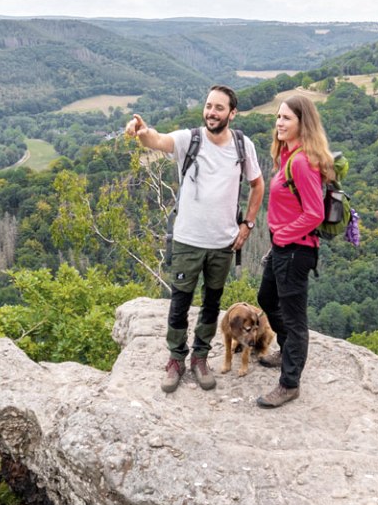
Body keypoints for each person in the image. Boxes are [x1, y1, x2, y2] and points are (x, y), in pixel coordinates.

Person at [125, 86, 264, 393]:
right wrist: (141, 130)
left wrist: (248, 225)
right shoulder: (190, 139)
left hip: (223, 243)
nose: (211, 112)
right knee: (180, 302)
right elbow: (158, 140)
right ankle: (175, 359)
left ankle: (200, 358)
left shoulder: (243, 146)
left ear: (232, 113)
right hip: (188, 240)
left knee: (212, 303)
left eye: (219, 108)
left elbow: (257, 185)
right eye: (208, 106)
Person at [255, 92, 332, 408]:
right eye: (278, 117)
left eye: (287, 118)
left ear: (303, 123)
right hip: (284, 247)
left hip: (294, 251)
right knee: (266, 299)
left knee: (294, 318)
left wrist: (283, 236)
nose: (279, 123)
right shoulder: (289, 156)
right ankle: (287, 351)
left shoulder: (301, 162)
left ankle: (289, 384)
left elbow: (315, 213)